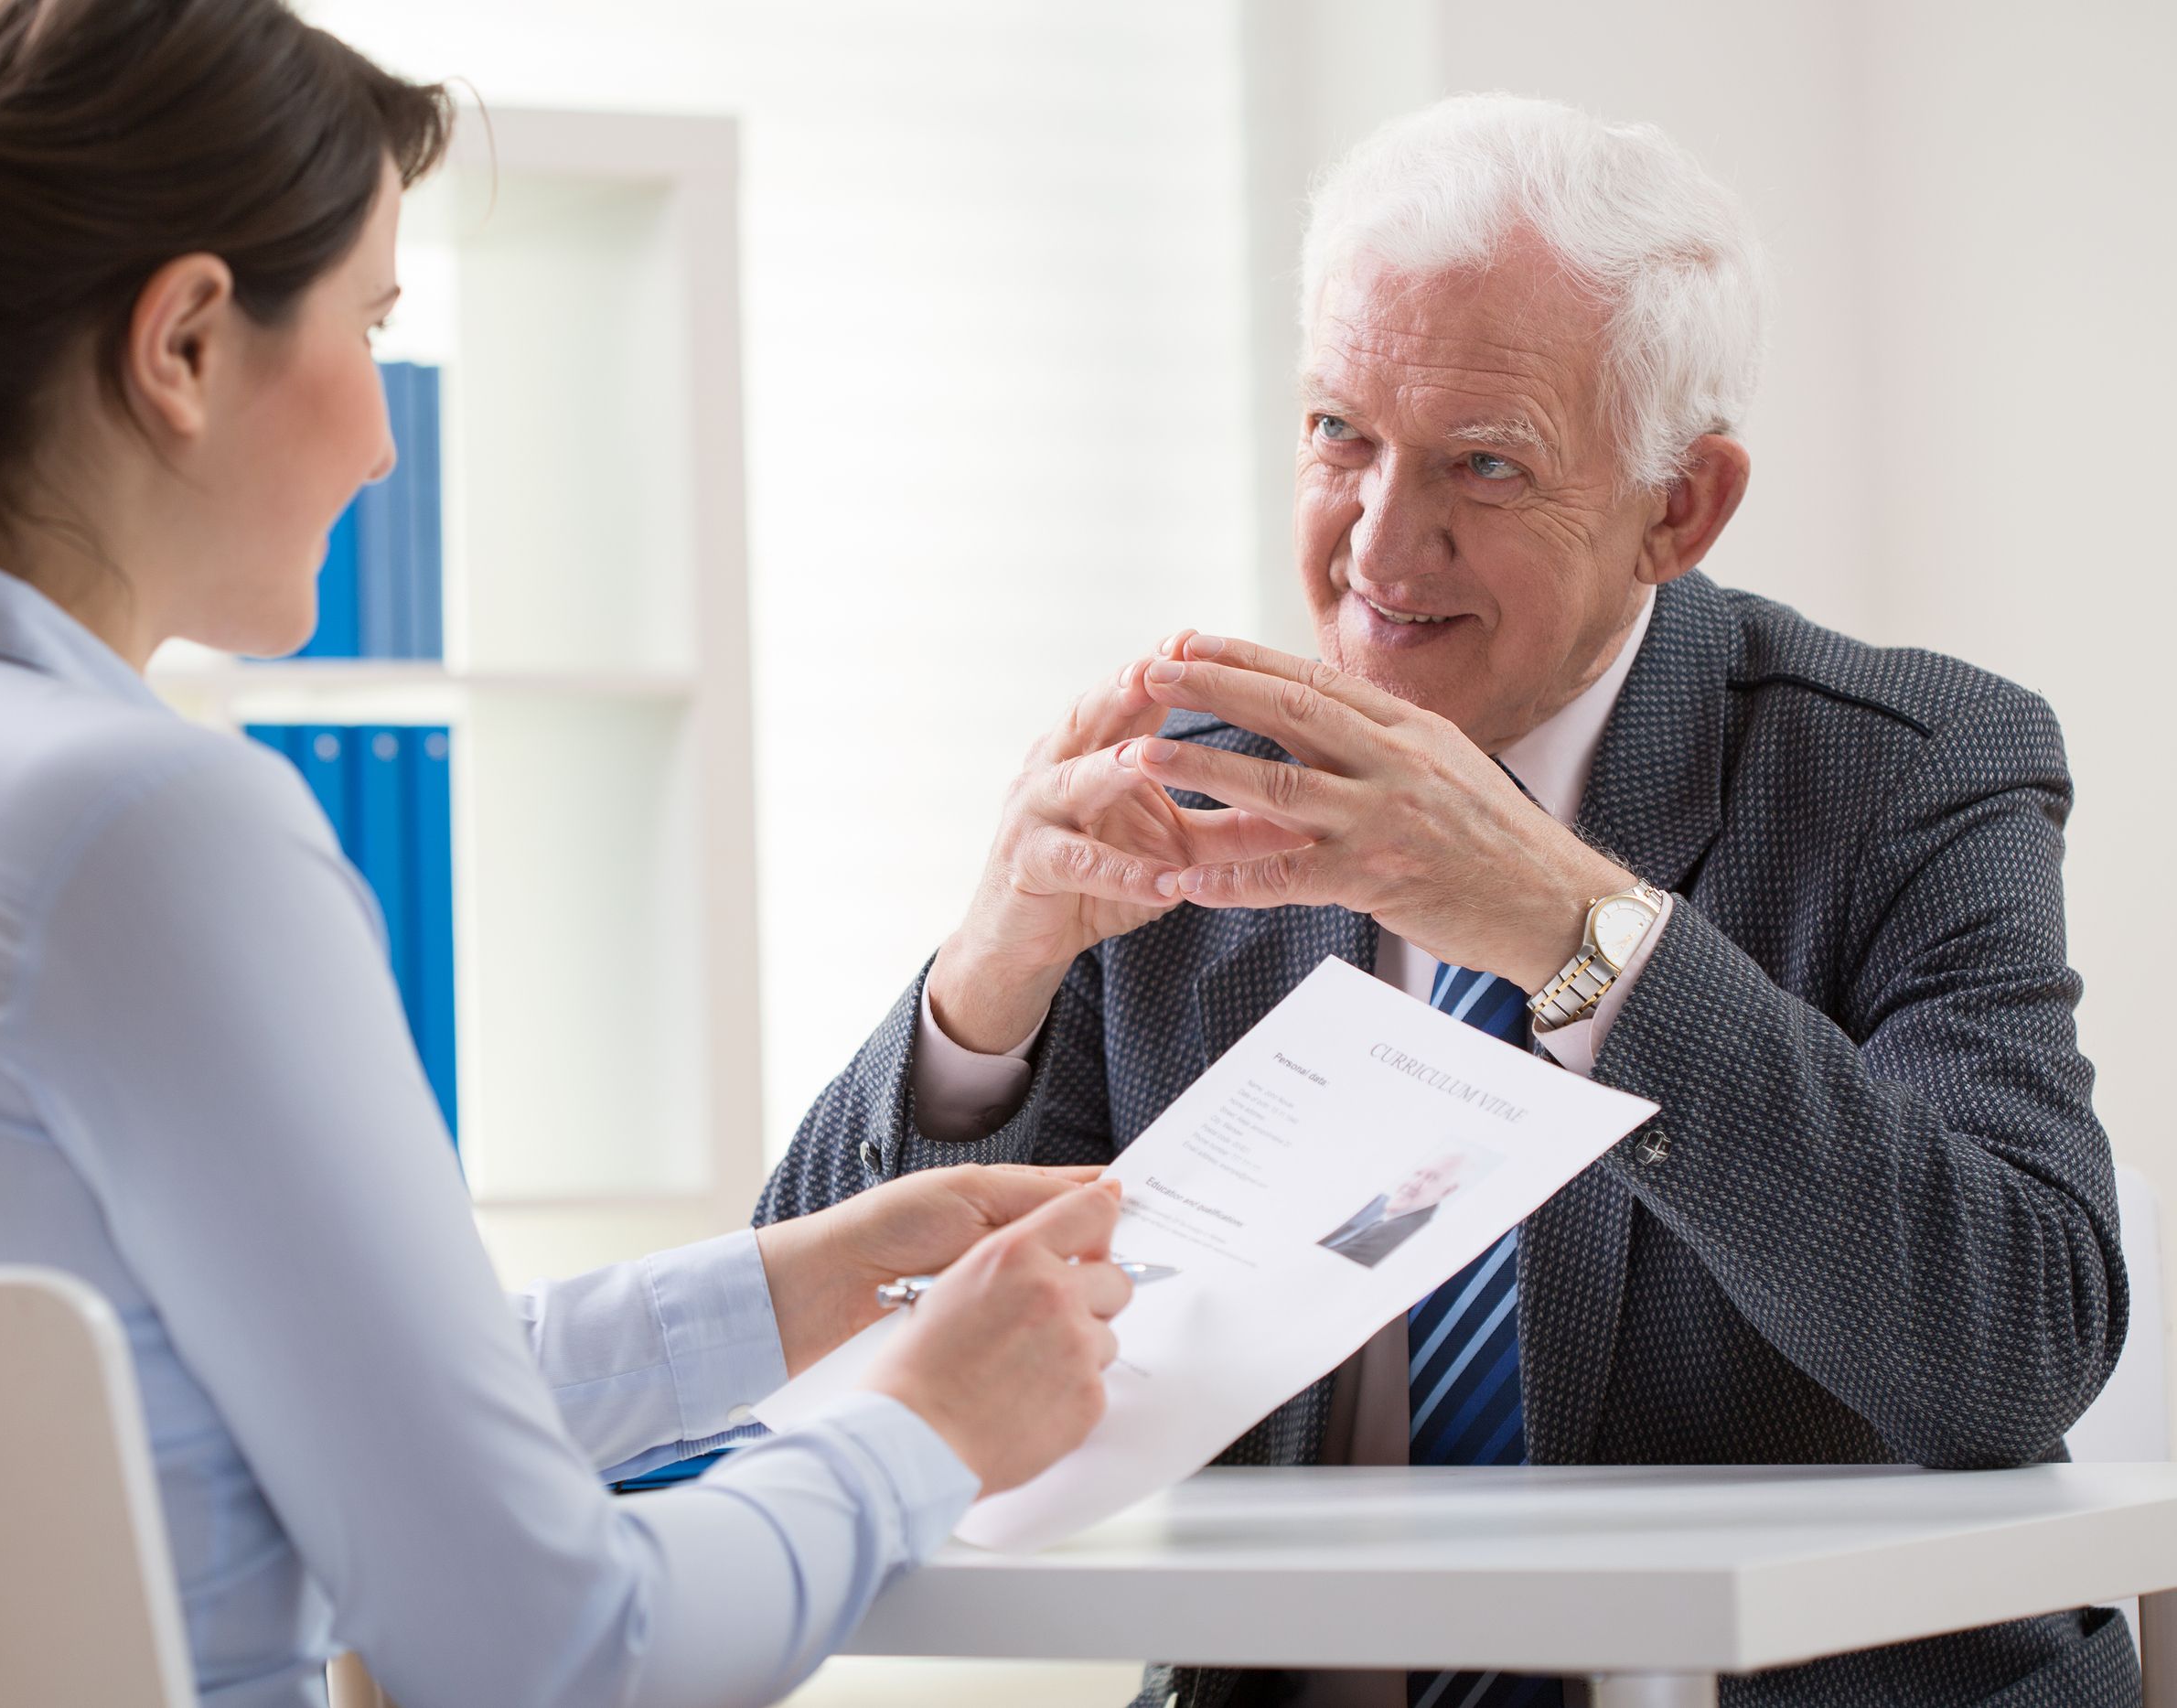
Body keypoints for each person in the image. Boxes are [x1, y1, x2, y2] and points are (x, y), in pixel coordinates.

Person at [0, 3, 1140, 1704]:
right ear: (185, 343)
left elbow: (293, 1411)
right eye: (370, 323)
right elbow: (551, 1647)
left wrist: (800, 1287)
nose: (384, 440)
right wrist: (926, 1422)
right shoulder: (144, 831)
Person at [758, 94, 2133, 1708]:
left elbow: (2014, 1348)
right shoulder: (1196, 785)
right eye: (1340, 433)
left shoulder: (1906, 770)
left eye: (1485, 464)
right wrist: (980, 994)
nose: (1380, 544)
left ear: (1678, 507)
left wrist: (1578, 936)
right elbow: (807, 1374)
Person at [1316, 1154, 1468, 1269]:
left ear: (1447, 1191)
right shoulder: (1377, 1204)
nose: (1414, 1183)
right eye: (1418, 1173)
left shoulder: (1395, 1232)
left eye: (1432, 1178)